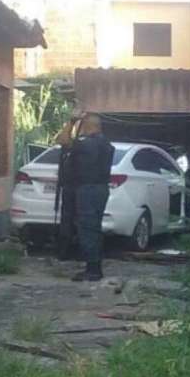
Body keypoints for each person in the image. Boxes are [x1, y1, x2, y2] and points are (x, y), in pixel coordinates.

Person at [56, 113, 114, 281]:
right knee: (94, 228)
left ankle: (93, 270)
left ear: (87, 126)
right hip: (101, 189)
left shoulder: (87, 143)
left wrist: (72, 121)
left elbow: (62, 140)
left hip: (87, 190)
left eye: (82, 126)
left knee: (87, 228)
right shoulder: (106, 144)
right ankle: (93, 266)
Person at [53, 117, 80, 261]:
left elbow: (63, 139)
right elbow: (60, 139)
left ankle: (73, 252)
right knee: (67, 221)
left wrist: (72, 121)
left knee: (76, 222)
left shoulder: (83, 145)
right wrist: (72, 121)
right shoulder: (71, 146)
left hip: (79, 188)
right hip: (70, 188)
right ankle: (64, 251)